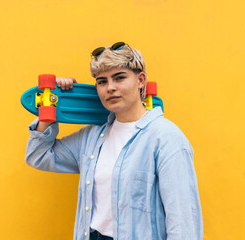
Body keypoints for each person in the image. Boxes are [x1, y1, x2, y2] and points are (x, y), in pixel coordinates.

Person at [25, 42, 203, 240]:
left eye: (119, 78)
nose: (110, 88)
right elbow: (37, 156)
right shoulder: (91, 138)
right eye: (102, 81)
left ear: (140, 80)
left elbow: (184, 223)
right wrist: (52, 107)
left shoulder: (166, 138)